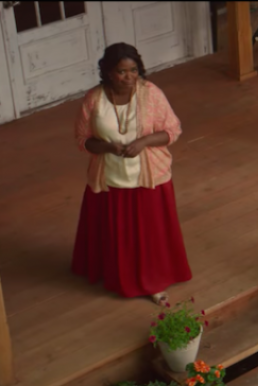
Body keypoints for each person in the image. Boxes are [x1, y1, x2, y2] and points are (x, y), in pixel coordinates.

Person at [71, 42, 192, 306]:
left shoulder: (151, 94)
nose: (129, 77)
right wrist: (107, 147)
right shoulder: (93, 99)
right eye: (122, 72)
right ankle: (118, 276)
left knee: (150, 233)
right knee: (118, 233)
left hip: (148, 177)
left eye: (134, 70)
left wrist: (143, 143)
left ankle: (155, 283)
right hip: (109, 179)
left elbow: (173, 130)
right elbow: (83, 139)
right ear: (108, 72)